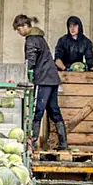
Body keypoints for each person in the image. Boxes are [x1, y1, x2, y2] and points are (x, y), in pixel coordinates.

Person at [14, 14, 67, 150]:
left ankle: (32, 143)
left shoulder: (31, 40)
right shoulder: (40, 39)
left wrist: (25, 74)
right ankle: (63, 144)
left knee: (37, 111)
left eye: (19, 29)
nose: (19, 33)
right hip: (53, 79)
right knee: (54, 110)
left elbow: (30, 61)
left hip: (43, 79)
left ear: (25, 26)